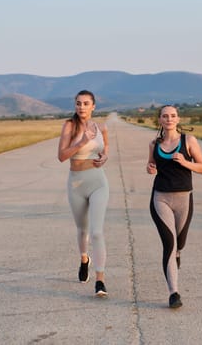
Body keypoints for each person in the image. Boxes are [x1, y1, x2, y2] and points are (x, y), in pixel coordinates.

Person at [146, 105, 202, 308]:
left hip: (183, 199)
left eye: (173, 116)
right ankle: (174, 293)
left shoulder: (188, 141)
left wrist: (185, 162)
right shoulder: (154, 143)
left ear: (178, 119)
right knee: (169, 244)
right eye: (165, 116)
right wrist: (150, 168)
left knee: (180, 243)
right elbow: (151, 165)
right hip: (160, 198)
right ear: (160, 120)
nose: (169, 119)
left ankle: (178, 253)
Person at [58, 90, 110, 297]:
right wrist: (81, 142)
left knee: (97, 232)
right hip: (76, 184)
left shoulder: (100, 127)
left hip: (98, 181)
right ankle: (84, 259)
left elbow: (105, 150)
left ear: (93, 106)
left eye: (86, 103)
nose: (81, 107)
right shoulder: (69, 126)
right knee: (83, 229)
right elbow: (61, 156)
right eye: (78, 103)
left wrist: (104, 157)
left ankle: (100, 280)